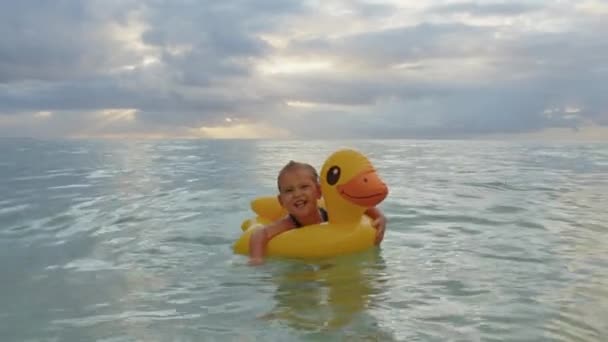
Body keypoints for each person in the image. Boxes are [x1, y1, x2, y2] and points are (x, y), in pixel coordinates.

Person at [248, 160, 387, 265]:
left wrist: (379, 216)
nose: (297, 194)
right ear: (281, 200)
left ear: (319, 192)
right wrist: (256, 258)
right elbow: (260, 233)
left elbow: (356, 205)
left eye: (304, 187)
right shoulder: (289, 223)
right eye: (289, 190)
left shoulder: (328, 212)